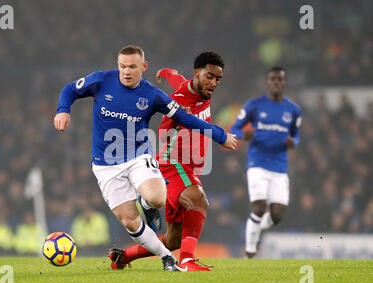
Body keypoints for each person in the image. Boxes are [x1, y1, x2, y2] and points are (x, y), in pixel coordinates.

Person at [54, 45, 236, 271]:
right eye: (122, 66)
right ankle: (166, 257)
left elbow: (185, 118)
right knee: (131, 222)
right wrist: (63, 109)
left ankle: (148, 204)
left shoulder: (152, 95)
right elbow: (70, 89)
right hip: (105, 165)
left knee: (158, 198)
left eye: (132, 66)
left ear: (143, 67)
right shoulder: (101, 81)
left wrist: (220, 136)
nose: (126, 71)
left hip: (139, 156)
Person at [109, 51, 234, 271]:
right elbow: (179, 125)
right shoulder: (179, 102)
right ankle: (187, 261)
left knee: (173, 240)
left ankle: (122, 257)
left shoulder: (198, 88)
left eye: (218, 79)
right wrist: (219, 135)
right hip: (173, 161)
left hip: (185, 164)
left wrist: (168, 73)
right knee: (199, 200)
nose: (213, 83)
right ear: (197, 73)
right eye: (210, 76)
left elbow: (179, 81)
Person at [230, 66, 302, 258]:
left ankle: (254, 227)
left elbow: (297, 137)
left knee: (277, 215)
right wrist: (245, 134)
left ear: (285, 83)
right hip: (257, 164)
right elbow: (234, 129)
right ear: (268, 82)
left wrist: (292, 142)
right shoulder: (253, 106)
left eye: (280, 79)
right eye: (273, 79)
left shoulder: (293, 110)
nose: (276, 82)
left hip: (279, 167)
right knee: (259, 207)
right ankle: (250, 251)